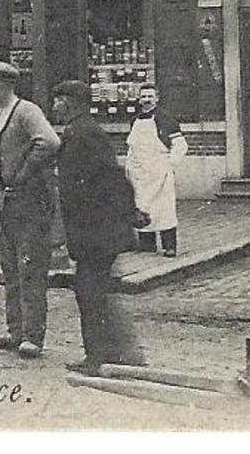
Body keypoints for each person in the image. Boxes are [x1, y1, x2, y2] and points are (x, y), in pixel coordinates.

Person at [51, 80, 146, 375]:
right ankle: (111, 353)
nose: (53, 107)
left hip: (95, 231)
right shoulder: (82, 131)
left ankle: (99, 357)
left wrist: (130, 213)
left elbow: (111, 178)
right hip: (95, 230)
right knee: (93, 291)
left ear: (69, 103)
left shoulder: (83, 134)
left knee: (89, 293)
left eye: (57, 101)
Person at [0, 60, 60, 359]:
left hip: (31, 202)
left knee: (31, 269)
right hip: (6, 202)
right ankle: (15, 331)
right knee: (10, 268)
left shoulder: (27, 111)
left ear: (2, 83)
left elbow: (49, 142)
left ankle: (33, 337)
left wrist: (24, 172)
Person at [127, 83, 187, 257]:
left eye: (149, 97)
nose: (146, 100)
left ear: (156, 98)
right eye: (143, 97)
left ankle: (169, 245)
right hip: (140, 171)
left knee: (164, 209)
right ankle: (147, 243)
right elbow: (132, 146)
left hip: (159, 171)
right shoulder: (135, 120)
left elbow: (180, 146)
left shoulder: (165, 118)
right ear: (139, 99)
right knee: (142, 205)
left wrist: (168, 164)